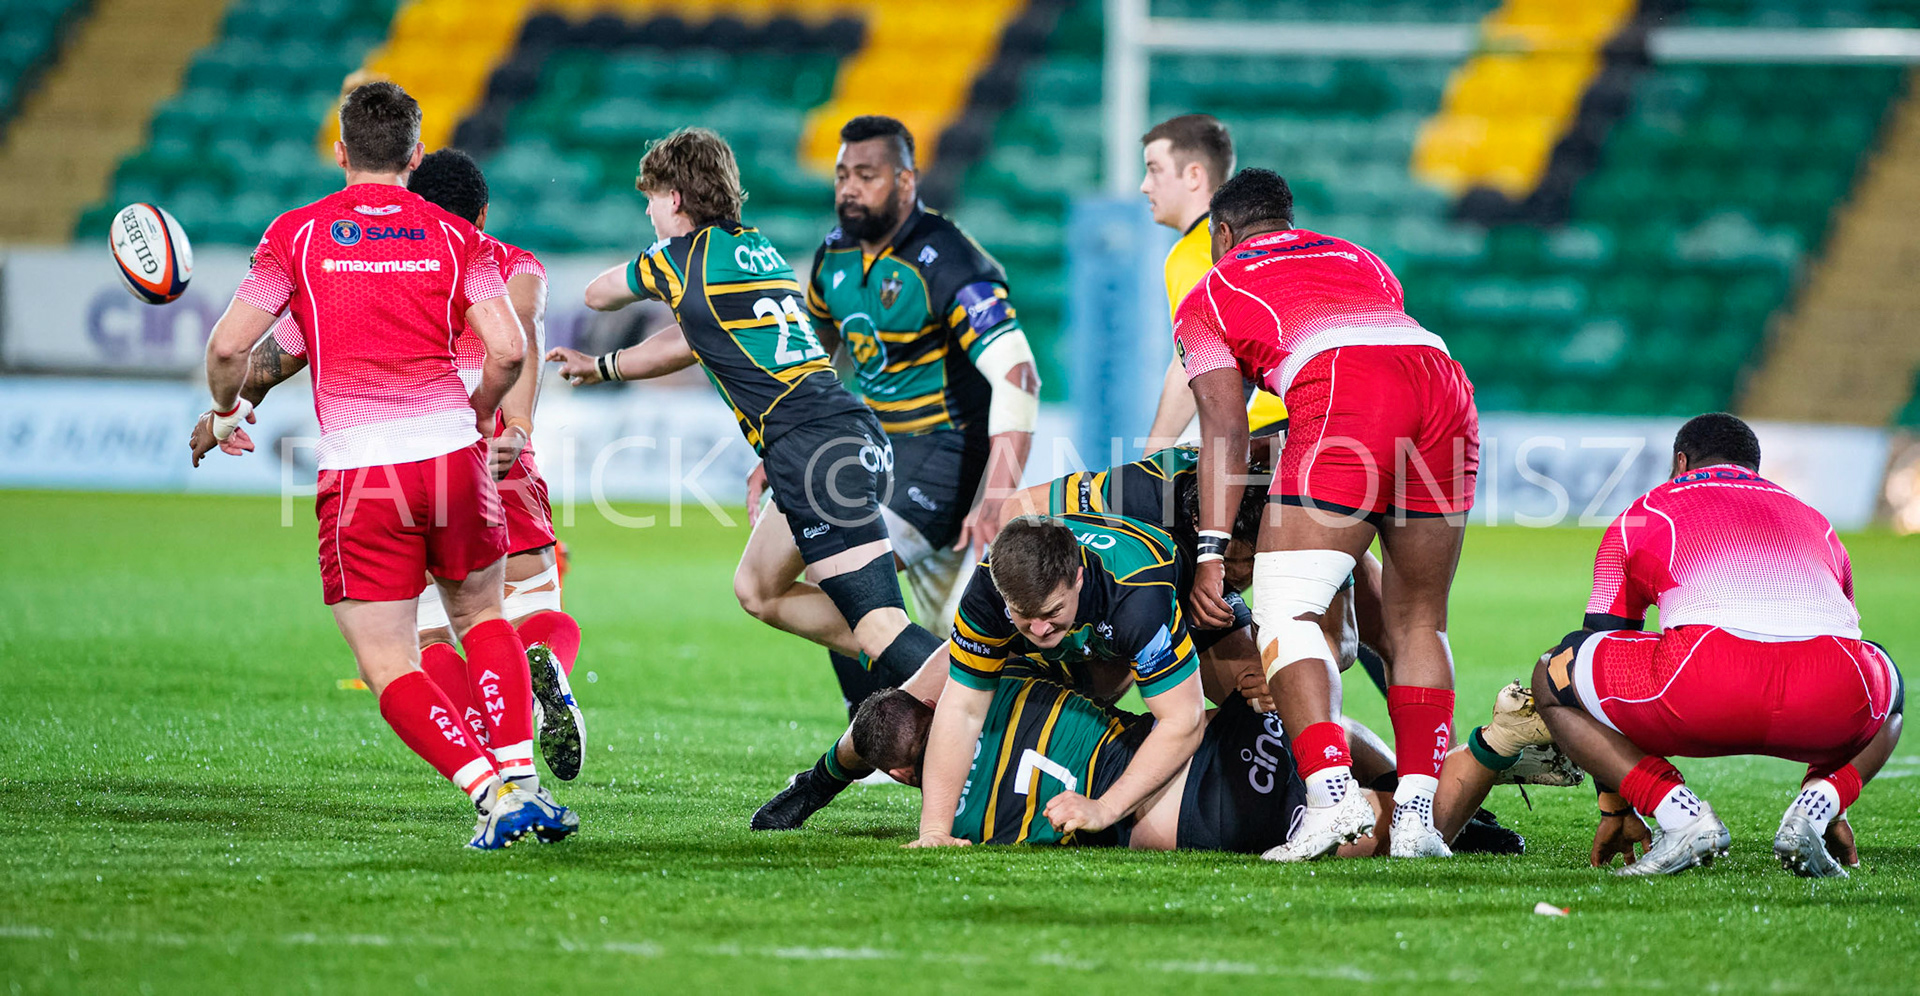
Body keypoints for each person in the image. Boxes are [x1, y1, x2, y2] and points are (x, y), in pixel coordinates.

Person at [187, 82, 574, 849]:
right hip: (454, 460)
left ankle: (493, 797)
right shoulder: (460, 238)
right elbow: (508, 348)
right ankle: (525, 783)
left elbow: (232, 348)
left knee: (390, 660)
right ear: (415, 155)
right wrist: (480, 416)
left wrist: (225, 413)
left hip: (363, 472)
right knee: (484, 619)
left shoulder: (296, 234)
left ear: (340, 153)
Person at [546, 126, 952, 806]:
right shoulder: (750, 248)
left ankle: (979, 706)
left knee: (878, 624)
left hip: (815, 447)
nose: (647, 210)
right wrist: (605, 366)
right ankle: (925, 662)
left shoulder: (679, 254)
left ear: (675, 198)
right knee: (758, 589)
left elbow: (596, 295)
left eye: (650, 198)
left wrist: (648, 262)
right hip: (827, 439)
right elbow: (690, 339)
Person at [1179, 168, 1479, 861]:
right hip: (1445, 387)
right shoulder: (1359, 258)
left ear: (1222, 234)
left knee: (1287, 612)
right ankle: (1414, 818)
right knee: (1418, 622)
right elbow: (1389, 346)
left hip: (1348, 393)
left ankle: (1330, 797)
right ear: (1287, 221)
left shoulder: (1212, 290)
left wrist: (1211, 550)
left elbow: (1224, 430)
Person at [735, 114, 1040, 717]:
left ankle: (895, 718)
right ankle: (904, 713)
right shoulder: (833, 256)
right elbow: (809, 361)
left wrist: (998, 493)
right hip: (865, 448)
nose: (848, 187)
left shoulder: (950, 261)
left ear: (906, 181)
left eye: (866, 175)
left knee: (841, 573)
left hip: (943, 452)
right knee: (808, 585)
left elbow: (1019, 375)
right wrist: (781, 449)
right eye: (843, 174)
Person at [1533, 413, 1904, 877]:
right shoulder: (1818, 522)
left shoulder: (1644, 511)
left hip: (1704, 686)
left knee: (1555, 670)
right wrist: (1836, 798)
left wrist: (1615, 806)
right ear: (1755, 468)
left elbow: (1602, 639)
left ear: (1681, 461)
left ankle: (1678, 814)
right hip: (1830, 700)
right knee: (1889, 685)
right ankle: (1818, 807)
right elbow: (1836, 634)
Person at [852, 664, 1547, 854]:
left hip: (1211, 813)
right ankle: (1424, 780)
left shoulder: (966, 823)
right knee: (1319, 730)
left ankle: (1495, 745)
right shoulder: (1008, 685)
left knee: (1379, 832)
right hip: (1223, 731)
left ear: (905, 775)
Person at [906, 514, 1207, 848]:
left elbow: (1185, 719)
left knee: (1241, 678)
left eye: (1051, 612)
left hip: (1187, 589)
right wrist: (934, 830)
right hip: (1088, 630)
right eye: (1023, 615)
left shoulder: (1136, 600)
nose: (1038, 629)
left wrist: (1104, 808)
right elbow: (962, 708)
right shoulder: (987, 589)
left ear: (1078, 578)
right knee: (906, 709)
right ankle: (838, 768)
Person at [1137, 114, 1288, 451]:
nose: (1145, 185)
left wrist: (1150, 457)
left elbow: (1199, 357)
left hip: (1268, 427)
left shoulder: (1193, 252)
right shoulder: (1264, 244)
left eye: (1154, 169)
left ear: (1193, 175)